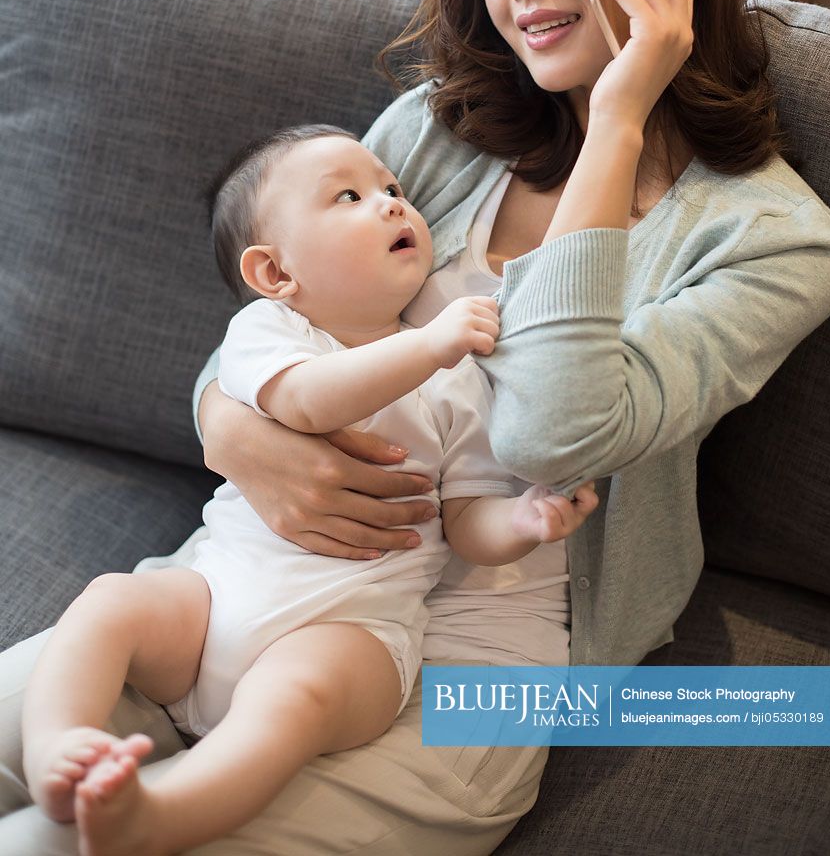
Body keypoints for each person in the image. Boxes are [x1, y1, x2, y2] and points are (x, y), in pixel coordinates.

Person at [1, 0, 830, 855]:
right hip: (257, 584)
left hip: (484, 671)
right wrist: (235, 429)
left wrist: (621, 117)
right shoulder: (440, 133)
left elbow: (552, 433)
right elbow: (269, 329)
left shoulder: (776, 240)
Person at [20, 125, 596, 856]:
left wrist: (521, 518)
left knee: (297, 697)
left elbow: (464, 524)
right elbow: (307, 403)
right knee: (111, 601)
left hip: (354, 632)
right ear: (274, 272)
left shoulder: (456, 384)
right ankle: (57, 749)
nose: (391, 205)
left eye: (393, 190)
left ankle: (165, 814)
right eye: (350, 197)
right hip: (211, 604)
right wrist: (426, 344)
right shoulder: (267, 331)